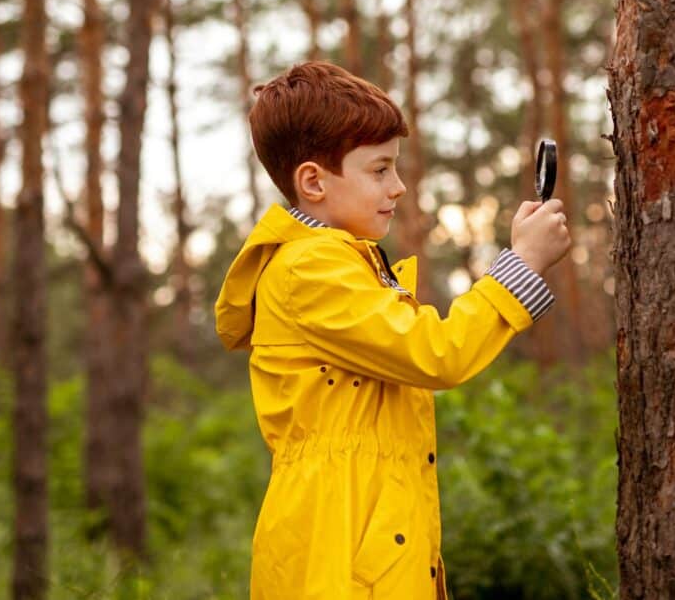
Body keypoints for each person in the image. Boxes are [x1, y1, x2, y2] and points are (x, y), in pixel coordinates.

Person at [214, 61, 571, 600]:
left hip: (364, 548)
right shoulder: (310, 270)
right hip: (337, 559)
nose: (398, 187)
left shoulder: (341, 265)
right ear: (313, 181)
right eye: (379, 170)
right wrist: (520, 265)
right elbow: (435, 353)